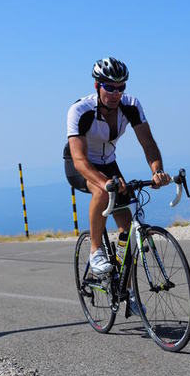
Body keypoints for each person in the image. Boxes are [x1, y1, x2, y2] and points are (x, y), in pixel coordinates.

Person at [64, 57, 170, 314]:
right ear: (97, 85)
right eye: (109, 87)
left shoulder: (131, 106)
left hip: (109, 163)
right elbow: (79, 160)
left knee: (127, 228)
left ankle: (127, 291)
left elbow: (148, 144)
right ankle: (95, 249)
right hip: (81, 164)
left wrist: (157, 171)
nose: (116, 93)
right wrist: (105, 182)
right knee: (101, 190)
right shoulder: (80, 111)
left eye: (120, 87)